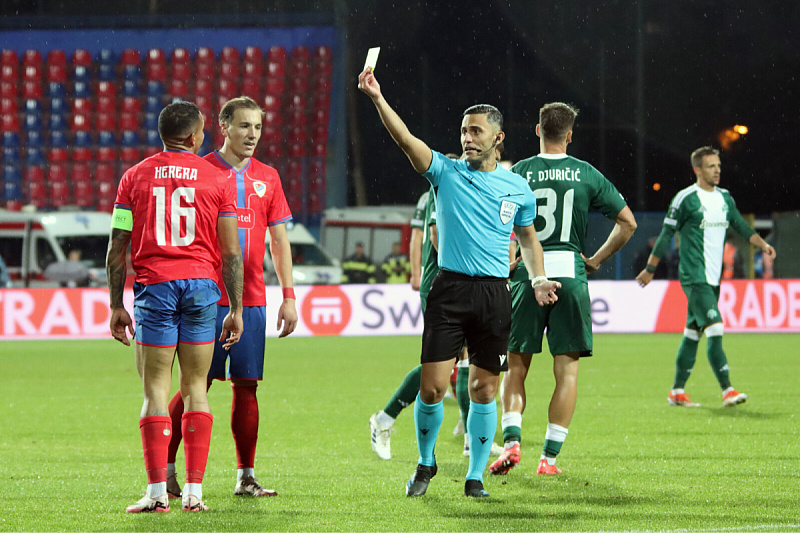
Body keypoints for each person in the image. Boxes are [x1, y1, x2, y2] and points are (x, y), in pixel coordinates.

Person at [358, 66, 560, 498]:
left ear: (498, 138)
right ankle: (425, 463)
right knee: (432, 386)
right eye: (464, 131)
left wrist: (539, 277)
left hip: (494, 295)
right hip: (448, 290)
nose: (467, 138)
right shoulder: (445, 172)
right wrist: (377, 98)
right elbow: (406, 140)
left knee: (483, 387)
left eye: (476, 131)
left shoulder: (517, 188)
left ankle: (475, 477)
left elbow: (527, 238)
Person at [106, 100, 245, 513]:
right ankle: (194, 493)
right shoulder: (218, 179)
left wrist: (117, 304)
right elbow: (231, 252)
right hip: (202, 288)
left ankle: (154, 493)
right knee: (196, 388)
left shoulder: (134, 178)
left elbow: (117, 248)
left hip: (156, 289)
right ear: (192, 136)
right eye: (202, 130)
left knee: (154, 392)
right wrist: (235, 307)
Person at [489, 102, 637, 477]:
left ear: (537, 130)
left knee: (516, 367)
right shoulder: (586, 174)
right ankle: (549, 460)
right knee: (566, 372)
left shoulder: (518, 172)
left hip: (527, 274)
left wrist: (506, 260)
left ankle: (511, 444)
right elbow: (628, 223)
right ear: (570, 135)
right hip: (570, 272)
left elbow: (497, 223)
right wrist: (597, 259)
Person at [164, 96, 298, 499]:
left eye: (257, 127)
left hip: (253, 299)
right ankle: (166, 470)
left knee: (247, 386)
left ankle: (246, 476)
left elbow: (279, 239)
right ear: (223, 127)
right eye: (244, 126)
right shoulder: (199, 170)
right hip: (205, 297)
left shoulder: (268, 177)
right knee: (195, 384)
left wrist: (288, 296)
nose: (252, 134)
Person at [635, 146, 776, 407]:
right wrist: (651, 268)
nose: (718, 170)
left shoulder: (725, 198)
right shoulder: (686, 199)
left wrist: (763, 245)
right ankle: (728, 390)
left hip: (713, 278)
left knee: (692, 334)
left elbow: (742, 227)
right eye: (711, 166)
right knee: (716, 328)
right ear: (697, 169)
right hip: (693, 276)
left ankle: (676, 391)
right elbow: (667, 234)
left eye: (719, 165)